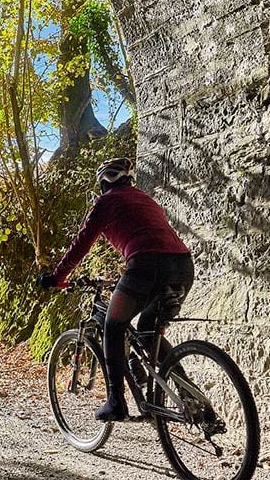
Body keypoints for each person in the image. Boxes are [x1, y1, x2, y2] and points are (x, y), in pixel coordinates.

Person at [38, 157, 193, 422]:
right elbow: (151, 235)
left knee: (113, 323)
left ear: (103, 182)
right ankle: (189, 395)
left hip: (145, 266)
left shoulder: (105, 202)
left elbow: (81, 244)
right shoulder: (147, 200)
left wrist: (56, 277)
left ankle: (116, 401)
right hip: (183, 266)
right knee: (147, 332)